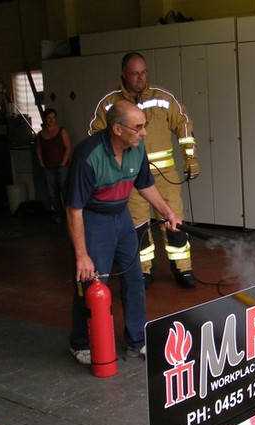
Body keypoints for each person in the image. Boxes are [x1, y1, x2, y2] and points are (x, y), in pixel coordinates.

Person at [67, 100, 180, 365]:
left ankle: (137, 341)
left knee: (134, 279)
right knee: (91, 282)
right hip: (94, 220)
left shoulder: (136, 149)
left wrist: (166, 211)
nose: (144, 133)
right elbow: (74, 210)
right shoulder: (88, 155)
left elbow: (144, 184)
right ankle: (80, 343)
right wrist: (81, 255)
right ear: (117, 129)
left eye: (144, 126)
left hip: (122, 216)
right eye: (138, 127)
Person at [88, 52, 199, 289]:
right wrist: (110, 167)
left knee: (174, 221)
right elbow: (96, 136)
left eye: (144, 72)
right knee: (137, 226)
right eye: (135, 73)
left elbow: (184, 125)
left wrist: (190, 158)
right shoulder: (110, 104)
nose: (141, 78)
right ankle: (143, 271)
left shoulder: (163, 98)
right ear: (123, 75)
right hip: (130, 176)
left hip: (165, 176)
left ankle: (183, 269)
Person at [35, 108, 71, 224]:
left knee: (64, 191)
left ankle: (69, 216)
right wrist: (41, 163)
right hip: (48, 167)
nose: (51, 120)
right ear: (45, 119)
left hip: (61, 167)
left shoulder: (61, 131)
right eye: (48, 118)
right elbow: (39, 150)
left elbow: (68, 148)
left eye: (53, 118)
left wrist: (62, 163)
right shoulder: (41, 134)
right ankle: (59, 215)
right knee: (52, 192)